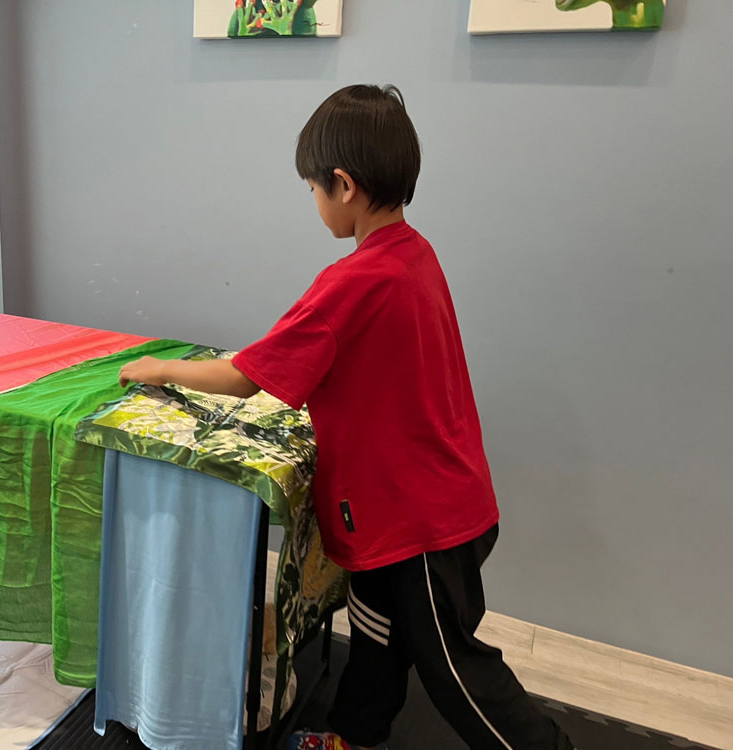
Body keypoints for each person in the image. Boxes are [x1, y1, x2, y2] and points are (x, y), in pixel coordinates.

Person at [118, 84, 573, 750]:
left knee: (456, 674)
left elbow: (244, 378)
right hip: (418, 505)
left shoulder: (354, 282)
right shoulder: (415, 254)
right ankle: (352, 738)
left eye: (313, 189)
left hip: (422, 524)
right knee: (374, 633)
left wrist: (161, 369)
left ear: (344, 185)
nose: (313, 202)